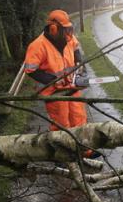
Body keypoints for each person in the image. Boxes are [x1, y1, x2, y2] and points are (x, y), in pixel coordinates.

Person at [23, 10, 99, 158]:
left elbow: (76, 48)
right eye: (65, 29)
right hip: (55, 92)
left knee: (79, 119)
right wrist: (51, 80)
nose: (68, 32)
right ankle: (62, 154)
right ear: (53, 28)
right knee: (61, 124)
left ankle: (84, 150)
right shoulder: (38, 45)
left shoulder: (69, 38)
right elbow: (30, 70)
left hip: (72, 87)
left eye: (68, 29)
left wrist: (79, 65)